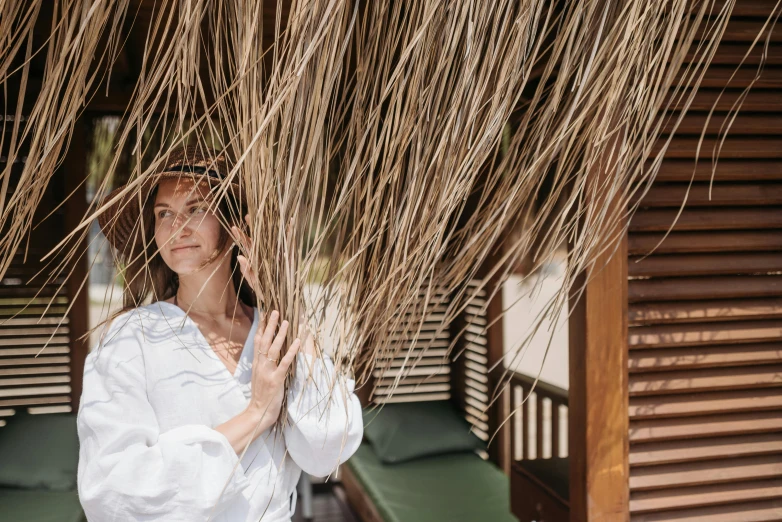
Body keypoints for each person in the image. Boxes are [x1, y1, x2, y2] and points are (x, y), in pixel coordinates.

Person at [76, 146, 363, 521]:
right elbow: (111, 488)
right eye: (164, 213)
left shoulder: (276, 329)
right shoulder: (133, 338)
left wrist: (291, 311)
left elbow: (326, 450)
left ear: (235, 224)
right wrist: (256, 414)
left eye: (196, 208)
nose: (178, 226)